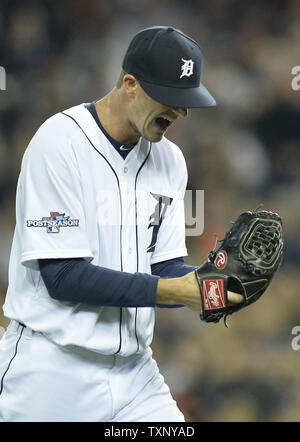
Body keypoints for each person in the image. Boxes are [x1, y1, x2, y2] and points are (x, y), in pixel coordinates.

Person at [0, 26, 242, 422]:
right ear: (129, 84)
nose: (180, 112)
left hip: (135, 374)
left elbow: (163, 269)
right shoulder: (60, 142)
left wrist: (211, 285)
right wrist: (176, 289)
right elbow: (63, 277)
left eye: (186, 101)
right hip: (53, 372)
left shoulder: (170, 160)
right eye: (170, 98)